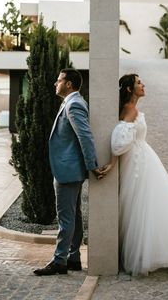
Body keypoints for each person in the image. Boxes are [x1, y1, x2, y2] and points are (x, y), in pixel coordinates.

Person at [108, 73, 168, 276]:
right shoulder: (130, 110)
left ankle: (149, 251)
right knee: (140, 206)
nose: (143, 85)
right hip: (137, 163)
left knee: (148, 205)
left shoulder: (133, 109)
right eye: (138, 83)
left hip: (144, 160)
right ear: (129, 89)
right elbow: (118, 143)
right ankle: (143, 254)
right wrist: (114, 159)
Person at [33, 68, 110, 276]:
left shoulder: (74, 104)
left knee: (65, 218)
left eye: (58, 80)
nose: (55, 84)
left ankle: (59, 261)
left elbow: (85, 136)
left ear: (68, 84)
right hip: (69, 169)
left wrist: (92, 165)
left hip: (67, 170)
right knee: (73, 216)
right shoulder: (72, 102)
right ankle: (73, 258)